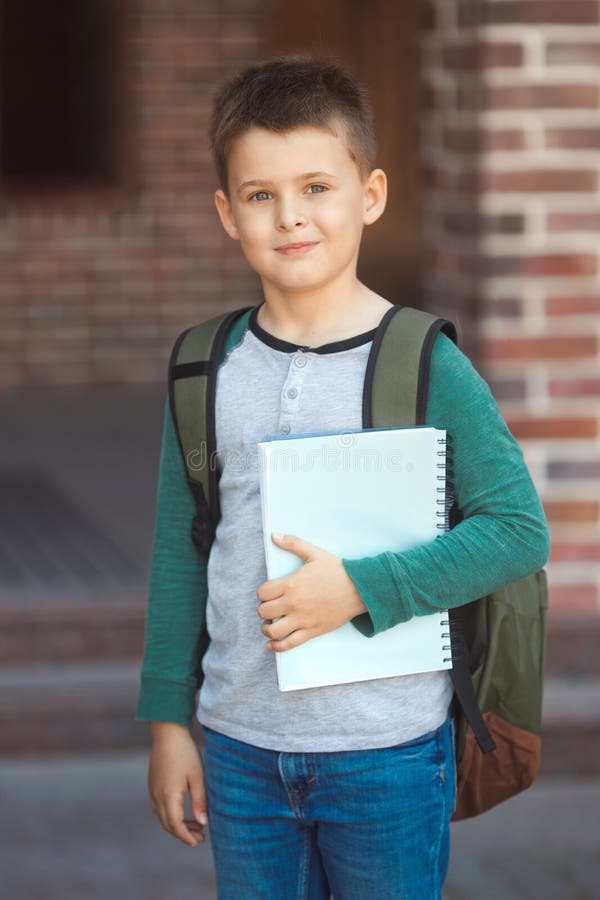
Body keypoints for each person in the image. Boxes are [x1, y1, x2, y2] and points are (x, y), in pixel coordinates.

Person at [135, 56, 549, 899]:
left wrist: (361, 588)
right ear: (226, 212)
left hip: (388, 754)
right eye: (261, 195)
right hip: (240, 745)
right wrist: (169, 723)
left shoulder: (427, 363)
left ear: (370, 195)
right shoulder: (202, 368)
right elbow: (182, 556)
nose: (292, 217)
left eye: (317, 187)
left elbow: (517, 531)